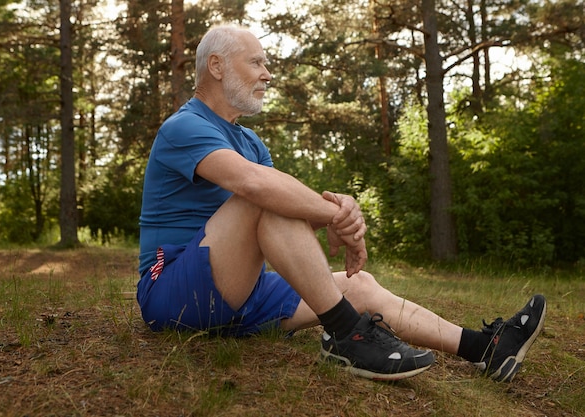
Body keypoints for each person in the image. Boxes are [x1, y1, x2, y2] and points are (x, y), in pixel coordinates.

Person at [136, 25, 547, 382]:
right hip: (171, 291)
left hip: (243, 295)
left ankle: (485, 348)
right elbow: (255, 188)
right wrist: (333, 213)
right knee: (260, 198)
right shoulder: (184, 126)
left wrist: (341, 217)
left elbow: (283, 226)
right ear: (217, 66)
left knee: (359, 285)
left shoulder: (251, 142)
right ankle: (347, 336)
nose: (268, 74)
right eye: (257, 62)